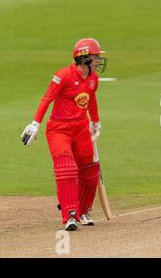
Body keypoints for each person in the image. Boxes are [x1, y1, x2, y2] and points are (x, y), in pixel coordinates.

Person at [21, 38, 108, 231]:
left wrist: (95, 121)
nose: (98, 60)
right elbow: (47, 98)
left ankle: (84, 210)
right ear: (83, 57)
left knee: (89, 169)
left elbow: (91, 99)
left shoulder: (93, 78)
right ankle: (69, 214)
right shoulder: (63, 75)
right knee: (66, 168)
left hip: (81, 128)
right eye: (95, 57)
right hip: (59, 129)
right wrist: (35, 124)